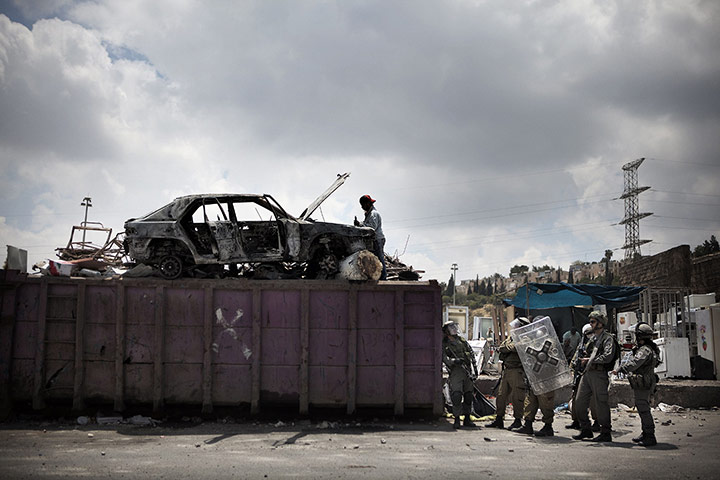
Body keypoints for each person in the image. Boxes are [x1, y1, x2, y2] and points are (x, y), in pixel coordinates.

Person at [572, 311, 618, 443]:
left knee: (600, 404)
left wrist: (590, 360)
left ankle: (605, 431)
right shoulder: (592, 339)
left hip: (599, 374)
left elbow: (608, 356)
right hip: (587, 373)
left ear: (600, 323)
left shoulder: (607, 338)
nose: (591, 324)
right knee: (579, 402)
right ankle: (586, 429)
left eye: (593, 322)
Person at [612, 322, 660, 447]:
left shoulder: (645, 350)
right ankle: (645, 433)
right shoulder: (651, 348)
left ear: (640, 336)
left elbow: (634, 364)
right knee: (642, 407)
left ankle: (650, 435)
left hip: (644, 382)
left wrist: (620, 369)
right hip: (645, 381)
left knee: (643, 409)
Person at [516, 316, 557, 437]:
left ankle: (548, 427)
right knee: (530, 401)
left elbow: (552, 359)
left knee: (546, 402)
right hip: (534, 376)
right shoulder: (534, 341)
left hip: (545, 377)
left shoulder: (550, 341)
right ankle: (528, 424)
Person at [485, 317, 528, 431]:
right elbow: (502, 347)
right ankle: (499, 419)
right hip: (507, 369)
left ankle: (518, 420)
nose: (514, 327)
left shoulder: (525, 337)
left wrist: (505, 348)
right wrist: (505, 348)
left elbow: (513, 348)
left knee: (517, 397)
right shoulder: (512, 337)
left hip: (517, 370)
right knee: (501, 396)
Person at [442, 320, 479, 429]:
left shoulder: (462, 340)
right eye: (451, 327)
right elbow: (444, 357)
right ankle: (457, 418)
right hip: (456, 371)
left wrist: (475, 371)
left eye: (454, 326)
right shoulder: (445, 343)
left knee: (468, 395)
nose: (454, 328)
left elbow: (471, 354)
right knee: (457, 395)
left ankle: (467, 418)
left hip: (467, 369)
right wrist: (453, 361)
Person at [566, 323, 599, 431]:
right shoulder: (581, 345)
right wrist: (571, 369)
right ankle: (576, 420)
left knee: (594, 400)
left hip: (592, 374)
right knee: (576, 399)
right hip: (579, 374)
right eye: (588, 333)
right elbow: (575, 358)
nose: (590, 335)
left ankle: (597, 422)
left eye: (591, 333)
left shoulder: (597, 344)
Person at [354, 195, 386, 280]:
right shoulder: (369, 214)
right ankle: (380, 277)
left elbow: (371, 227)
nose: (362, 207)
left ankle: (383, 278)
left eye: (363, 204)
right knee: (376, 259)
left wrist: (360, 225)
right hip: (374, 239)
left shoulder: (373, 214)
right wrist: (360, 224)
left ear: (368, 203)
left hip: (377, 239)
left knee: (379, 258)